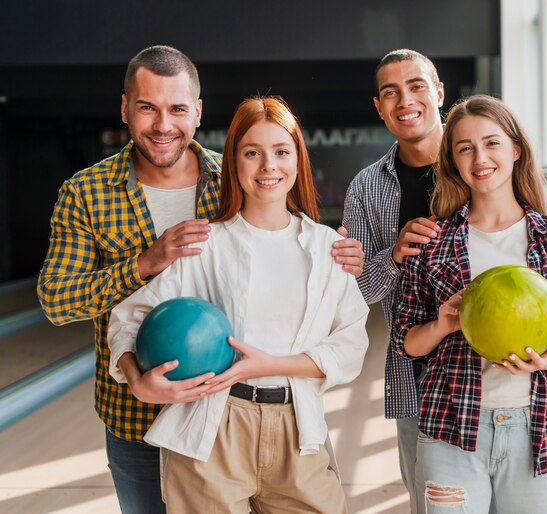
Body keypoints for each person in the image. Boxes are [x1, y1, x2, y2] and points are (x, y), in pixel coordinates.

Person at [37, 46, 364, 514]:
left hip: (269, 414)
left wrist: (342, 257)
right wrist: (144, 268)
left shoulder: (230, 174)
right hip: (135, 413)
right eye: (148, 107)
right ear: (125, 108)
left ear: (198, 112)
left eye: (177, 109)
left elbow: (284, 243)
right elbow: (58, 301)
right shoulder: (87, 192)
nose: (163, 124)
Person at [340, 48, 547, 512]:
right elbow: (361, 303)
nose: (405, 101)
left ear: (437, 92)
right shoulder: (375, 195)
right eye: (390, 92)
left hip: (535, 417)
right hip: (437, 398)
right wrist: (396, 258)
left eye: (416, 86)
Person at [107, 96, 369, 513]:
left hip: (296, 426)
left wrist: (269, 365)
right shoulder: (204, 244)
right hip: (213, 427)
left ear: (298, 162)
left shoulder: (328, 249)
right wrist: (136, 378)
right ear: (234, 163)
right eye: (253, 153)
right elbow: (126, 318)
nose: (268, 166)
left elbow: (351, 345)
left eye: (281, 152)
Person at [393, 95, 547, 513]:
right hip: (451, 429)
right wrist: (443, 324)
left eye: (492, 143)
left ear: (516, 149)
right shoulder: (432, 242)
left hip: (540, 428)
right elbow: (406, 343)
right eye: (465, 148)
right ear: (453, 161)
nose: (479, 157)